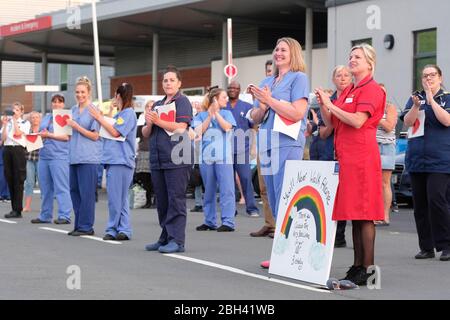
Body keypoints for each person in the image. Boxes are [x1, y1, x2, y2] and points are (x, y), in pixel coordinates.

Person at [315, 43, 385, 285]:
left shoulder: (372, 89)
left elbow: (357, 121)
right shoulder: (348, 90)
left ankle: (368, 269)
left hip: (362, 158)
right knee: (354, 213)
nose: (352, 59)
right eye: (351, 56)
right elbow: (331, 121)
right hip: (347, 158)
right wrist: (325, 103)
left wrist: (332, 104)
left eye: (357, 57)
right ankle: (357, 266)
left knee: (364, 214)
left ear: (369, 63)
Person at [249, 37, 310, 268]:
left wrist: (270, 100)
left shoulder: (299, 78)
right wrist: (262, 105)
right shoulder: (267, 80)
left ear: (293, 53)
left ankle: (296, 253)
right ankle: (281, 252)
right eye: (276, 49)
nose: (278, 53)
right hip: (267, 144)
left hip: (287, 144)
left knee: (288, 199)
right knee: (274, 202)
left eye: (283, 49)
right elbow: (255, 117)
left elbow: (297, 113)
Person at [401, 64, 450, 261]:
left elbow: (446, 120)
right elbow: (407, 121)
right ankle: (426, 246)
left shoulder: (446, 97)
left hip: (440, 159)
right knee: (420, 205)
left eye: (432, 75)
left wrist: (431, 100)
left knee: (437, 201)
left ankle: (446, 244)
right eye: (425, 76)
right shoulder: (415, 98)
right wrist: (415, 106)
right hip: (416, 159)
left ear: (440, 77)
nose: (428, 79)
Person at [144, 65, 193, 253]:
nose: (168, 83)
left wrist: (158, 121)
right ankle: (165, 236)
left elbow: (181, 128)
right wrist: (149, 122)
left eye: (172, 80)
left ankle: (177, 240)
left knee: (176, 199)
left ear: (179, 83)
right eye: (165, 80)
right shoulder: (157, 104)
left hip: (177, 157)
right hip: (159, 158)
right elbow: (147, 133)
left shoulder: (183, 101)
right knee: (162, 200)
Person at [310, 65, 352, 248]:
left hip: (348, 154)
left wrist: (336, 113)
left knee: (343, 196)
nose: (342, 78)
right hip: (328, 153)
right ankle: (326, 232)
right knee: (328, 195)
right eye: (338, 76)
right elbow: (324, 132)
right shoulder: (329, 100)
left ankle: (340, 236)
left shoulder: (355, 97)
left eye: (346, 75)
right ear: (333, 80)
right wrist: (328, 107)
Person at [90, 83, 137, 241]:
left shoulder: (128, 113)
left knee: (116, 198)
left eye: (115, 96)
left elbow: (116, 132)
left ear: (119, 96)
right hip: (116, 160)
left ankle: (112, 228)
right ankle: (124, 229)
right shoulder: (121, 114)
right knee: (121, 198)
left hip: (120, 161)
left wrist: (99, 118)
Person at [194, 88, 237, 232]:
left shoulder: (227, 114)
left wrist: (216, 113)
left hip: (223, 158)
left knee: (227, 190)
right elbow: (199, 131)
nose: (226, 99)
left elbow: (226, 127)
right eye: (223, 97)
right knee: (209, 191)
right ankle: (209, 221)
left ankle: (228, 221)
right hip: (206, 158)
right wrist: (209, 115)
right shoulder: (200, 115)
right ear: (215, 99)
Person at [66, 76, 102, 236]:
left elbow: (95, 136)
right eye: (77, 92)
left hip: (88, 157)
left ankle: (86, 226)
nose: (80, 95)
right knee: (74, 191)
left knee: (86, 193)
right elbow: (68, 134)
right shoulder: (72, 110)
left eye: (82, 92)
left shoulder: (94, 111)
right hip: (73, 156)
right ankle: (78, 223)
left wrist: (76, 126)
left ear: (88, 93)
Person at [31, 93, 72, 224]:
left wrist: (48, 135)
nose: (56, 104)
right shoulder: (46, 117)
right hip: (44, 156)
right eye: (54, 101)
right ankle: (45, 215)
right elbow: (41, 133)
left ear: (63, 104)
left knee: (61, 187)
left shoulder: (65, 117)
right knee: (45, 188)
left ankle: (64, 215)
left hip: (59, 157)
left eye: (59, 102)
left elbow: (66, 137)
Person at [249, 59, 276, 239]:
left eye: (272, 70)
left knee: (278, 185)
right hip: (264, 137)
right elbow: (255, 116)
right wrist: (261, 105)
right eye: (268, 71)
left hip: (282, 139)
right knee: (264, 185)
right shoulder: (262, 87)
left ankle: (280, 225)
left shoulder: (287, 85)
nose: (270, 73)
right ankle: (269, 223)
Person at [225, 80, 259, 217]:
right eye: (230, 87)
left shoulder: (247, 107)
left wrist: (253, 146)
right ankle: (230, 210)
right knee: (228, 181)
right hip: (225, 150)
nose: (232, 89)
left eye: (235, 88)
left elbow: (254, 126)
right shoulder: (222, 106)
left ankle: (251, 208)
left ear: (239, 90)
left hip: (242, 150)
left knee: (245, 178)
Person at [1, 102, 30, 218]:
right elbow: (3, 138)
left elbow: (18, 133)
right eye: (13, 110)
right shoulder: (7, 123)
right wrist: (4, 125)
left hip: (18, 149)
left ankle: (18, 209)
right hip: (7, 149)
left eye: (17, 110)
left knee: (18, 179)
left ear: (22, 112)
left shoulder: (25, 123)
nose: (14, 112)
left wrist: (14, 121)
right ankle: (14, 208)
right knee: (10, 178)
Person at [375, 84, 398, 226]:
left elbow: (389, 126)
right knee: (373, 183)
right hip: (372, 146)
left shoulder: (390, 107)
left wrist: (375, 117)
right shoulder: (370, 107)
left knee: (385, 183)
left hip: (387, 147)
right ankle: (374, 214)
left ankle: (385, 215)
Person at [134, 100, 155, 209]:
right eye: (148, 107)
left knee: (154, 178)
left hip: (153, 151)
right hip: (143, 150)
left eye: (152, 107)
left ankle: (155, 199)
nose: (149, 109)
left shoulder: (157, 119)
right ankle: (147, 200)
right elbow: (137, 135)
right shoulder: (142, 119)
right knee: (144, 177)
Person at [23, 111, 42, 212]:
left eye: (36, 117)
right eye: (33, 117)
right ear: (30, 119)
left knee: (42, 183)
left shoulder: (43, 130)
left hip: (40, 158)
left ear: (40, 119)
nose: (35, 119)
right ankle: (27, 206)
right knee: (29, 182)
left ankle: (44, 206)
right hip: (29, 158)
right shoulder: (27, 130)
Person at [190, 100, 204, 213]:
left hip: (206, 155)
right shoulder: (194, 120)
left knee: (209, 181)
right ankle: (198, 203)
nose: (198, 109)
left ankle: (208, 203)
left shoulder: (206, 119)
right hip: (196, 156)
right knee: (197, 181)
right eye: (197, 107)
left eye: (200, 107)